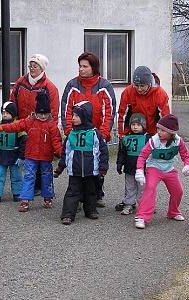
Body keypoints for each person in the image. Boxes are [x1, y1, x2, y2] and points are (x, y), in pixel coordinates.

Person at [61, 52, 116, 207]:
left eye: (85, 66)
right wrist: (69, 131)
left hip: (96, 134)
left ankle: (95, 196)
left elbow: (109, 112)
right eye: (80, 66)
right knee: (77, 167)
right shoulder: (72, 85)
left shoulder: (104, 86)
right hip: (76, 134)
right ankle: (77, 198)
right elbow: (65, 110)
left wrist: (103, 134)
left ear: (93, 68)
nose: (81, 69)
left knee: (96, 167)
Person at [0, 93, 62, 212]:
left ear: (49, 113)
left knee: (46, 176)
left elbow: (56, 141)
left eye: (45, 113)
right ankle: (25, 199)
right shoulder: (29, 121)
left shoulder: (52, 125)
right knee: (29, 176)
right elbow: (16, 126)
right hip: (31, 156)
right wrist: (1, 128)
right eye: (40, 113)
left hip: (46, 157)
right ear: (36, 112)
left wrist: (61, 153)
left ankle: (48, 196)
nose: (42, 116)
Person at [9, 53, 60, 196]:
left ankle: (40, 188)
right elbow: (12, 101)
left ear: (41, 68)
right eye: (30, 65)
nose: (31, 68)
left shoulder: (49, 87)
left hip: (42, 127)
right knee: (27, 157)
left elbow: (54, 110)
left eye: (35, 65)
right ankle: (24, 187)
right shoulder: (20, 82)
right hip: (23, 125)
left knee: (40, 157)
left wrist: (51, 129)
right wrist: (14, 120)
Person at [54, 101, 109, 225]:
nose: (73, 118)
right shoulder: (71, 134)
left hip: (91, 169)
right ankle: (68, 214)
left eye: (77, 116)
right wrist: (60, 167)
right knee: (72, 192)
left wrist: (103, 167)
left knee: (91, 191)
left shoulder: (94, 133)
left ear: (85, 117)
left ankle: (90, 210)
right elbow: (66, 152)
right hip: (75, 170)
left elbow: (103, 151)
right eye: (73, 115)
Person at [134, 114, 189, 229]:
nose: (159, 132)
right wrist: (140, 170)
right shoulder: (153, 140)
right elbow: (142, 156)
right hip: (154, 167)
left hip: (169, 169)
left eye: (163, 130)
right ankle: (142, 217)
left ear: (171, 132)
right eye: (158, 129)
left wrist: (187, 165)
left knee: (178, 191)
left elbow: (186, 155)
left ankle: (173, 212)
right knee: (150, 188)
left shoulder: (178, 141)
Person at [118, 66, 170, 137]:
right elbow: (122, 114)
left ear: (149, 84)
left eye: (142, 86)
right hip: (133, 133)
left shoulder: (159, 94)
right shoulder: (128, 92)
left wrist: (162, 136)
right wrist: (122, 133)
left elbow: (165, 117)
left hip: (154, 133)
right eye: (136, 85)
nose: (139, 89)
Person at [0, 101, 26, 204]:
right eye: (3, 112)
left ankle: (17, 193)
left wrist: (22, 157)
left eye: (7, 112)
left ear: (13, 114)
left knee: (17, 176)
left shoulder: (18, 127)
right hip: (1, 155)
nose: (4, 114)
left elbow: (23, 142)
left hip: (14, 156)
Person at [115, 113, 151, 215]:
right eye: (133, 124)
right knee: (129, 187)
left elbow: (151, 153)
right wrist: (119, 163)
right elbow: (122, 152)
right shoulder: (126, 138)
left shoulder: (147, 138)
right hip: (129, 167)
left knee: (142, 188)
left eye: (138, 125)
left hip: (143, 169)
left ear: (143, 126)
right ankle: (129, 204)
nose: (135, 127)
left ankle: (144, 205)